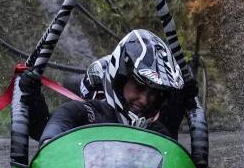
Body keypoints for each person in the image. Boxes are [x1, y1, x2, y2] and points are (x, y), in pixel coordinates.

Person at [20, 29, 187, 143]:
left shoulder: (157, 130)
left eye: (153, 95)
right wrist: (31, 96)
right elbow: (46, 130)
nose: (145, 100)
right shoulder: (84, 112)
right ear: (119, 81)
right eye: (139, 87)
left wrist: (182, 99)